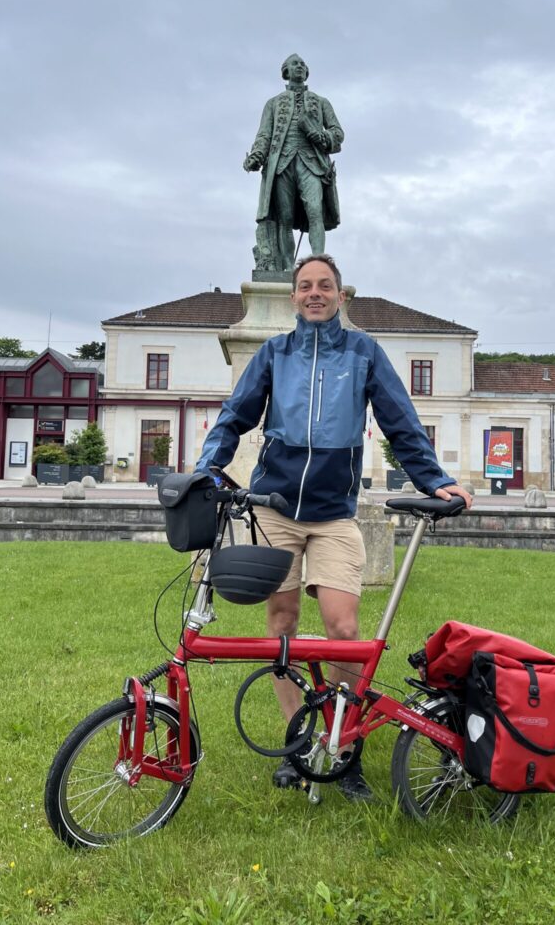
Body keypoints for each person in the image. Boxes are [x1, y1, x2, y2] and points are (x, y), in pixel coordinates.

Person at [196, 255, 472, 799]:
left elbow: (400, 419)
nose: (315, 293)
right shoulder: (275, 354)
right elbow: (234, 415)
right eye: (305, 286)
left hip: (334, 515)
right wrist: (209, 468)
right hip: (275, 509)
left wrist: (434, 479)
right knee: (281, 625)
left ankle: (342, 748)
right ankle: (299, 743)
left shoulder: (363, 352)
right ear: (295, 297)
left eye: (325, 286)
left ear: (341, 296)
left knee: (344, 634)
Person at [244, 54, 343, 269]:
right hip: (282, 164)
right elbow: (264, 135)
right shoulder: (273, 104)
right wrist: (256, 156)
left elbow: (337, 133)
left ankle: (319, 263)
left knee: (315, 211)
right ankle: (288, 267)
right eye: (294, 64)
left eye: (302, 64)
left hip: (312, 164)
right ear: (286, 72)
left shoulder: (321, 102)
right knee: (284, 218)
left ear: (306, 72)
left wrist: (324, 137)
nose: (299, 67)